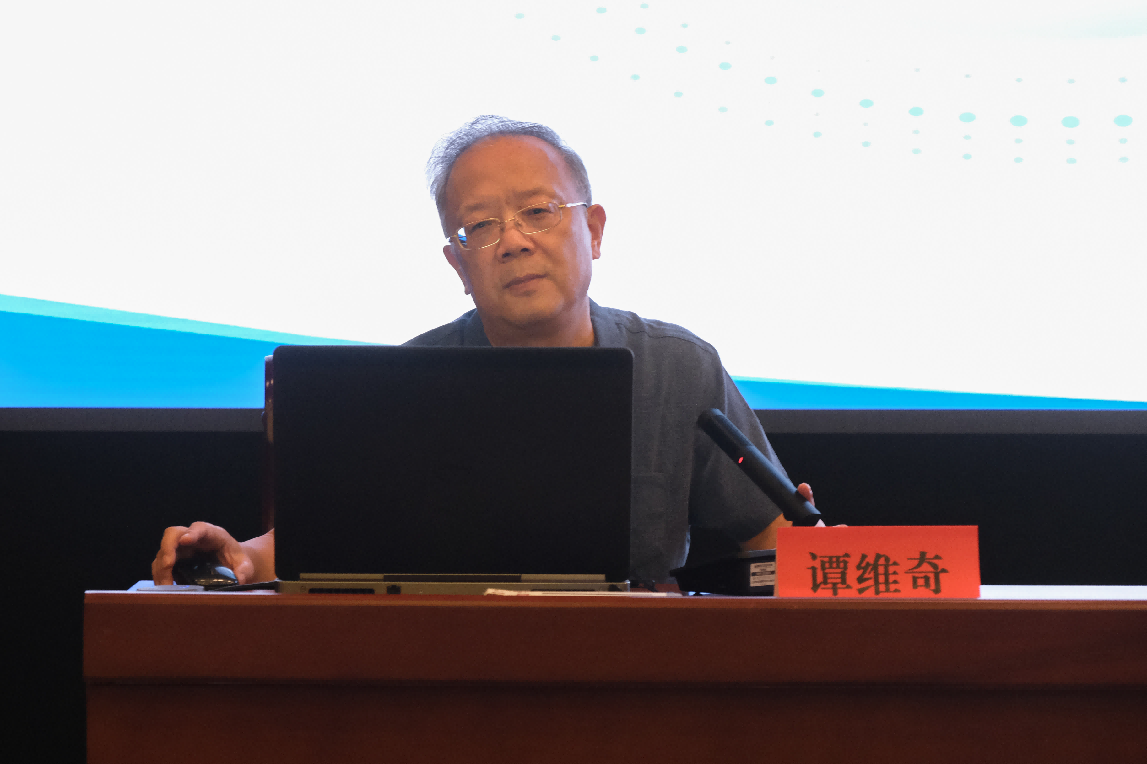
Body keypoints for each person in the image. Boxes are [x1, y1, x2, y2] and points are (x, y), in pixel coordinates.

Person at [152, 115, 816, 587]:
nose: (515, 242)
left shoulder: (679, 368)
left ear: (593, 230)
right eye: (481, 227)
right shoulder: (408, 381)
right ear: (457, 264)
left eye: (538, 212)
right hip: (456, 674)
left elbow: (772, 538)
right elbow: (319, 541)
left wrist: (817, 556)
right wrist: (236, 556)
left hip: (641, 678)